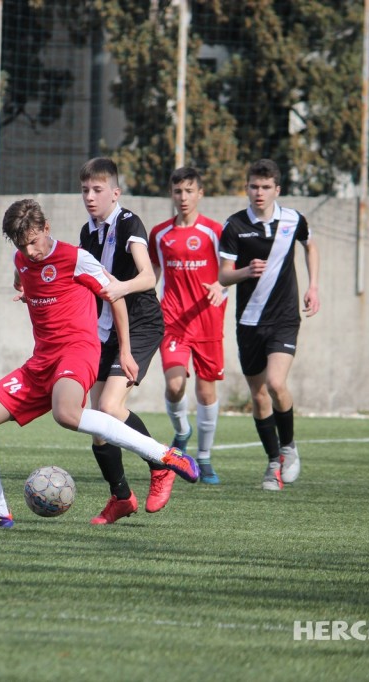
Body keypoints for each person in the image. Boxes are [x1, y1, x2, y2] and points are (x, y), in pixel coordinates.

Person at [0, 199, 199, 529]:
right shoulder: (22, 259)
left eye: (34, 242)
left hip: (77, 351)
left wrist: (125, 351)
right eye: (21, 245)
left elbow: (114, 295)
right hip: (40, 362)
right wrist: (25, 290)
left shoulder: (76, 258)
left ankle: (165, 455)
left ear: (46, 228)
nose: (30, 251)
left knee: (66, 413)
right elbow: (22, 274)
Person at [77, 158, 170, 524]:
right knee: (97, 425)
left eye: (97, 190)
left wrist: (120, 287)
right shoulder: (87, 233)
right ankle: (121, 497)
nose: (90, 196)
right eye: (85, 190)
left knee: (109, 407)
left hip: (142, 324)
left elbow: (148, 277)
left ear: (115, 193)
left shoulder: (128, 222)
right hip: (106, 331)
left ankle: (160, 464)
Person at [218, 159, 320, 491]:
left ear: (277, 189)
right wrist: (246, 271)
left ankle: (288, 448)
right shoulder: (234, 225)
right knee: (259, 395)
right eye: (253, 186)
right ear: (246, 188)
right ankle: (273, 461)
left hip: (284, 318)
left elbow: (310, 245)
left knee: (276, 383)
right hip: (249, 321)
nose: (259, 192)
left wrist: (313, 286)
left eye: (265, 187)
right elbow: (223, 276)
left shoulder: (293, 220)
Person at [148, 167, 228, 485]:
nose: (183, 197)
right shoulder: (160, 234)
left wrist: (221, 286)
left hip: (208, 321)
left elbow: (229, 271)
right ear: (171, 194)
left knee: (206, 393)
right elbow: (152, 274)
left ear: (200, 194)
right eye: (178, 191)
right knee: (174, 385)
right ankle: (182, 431)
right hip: (172, 322)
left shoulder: (214, 231)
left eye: (189, 191)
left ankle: (204, 457)